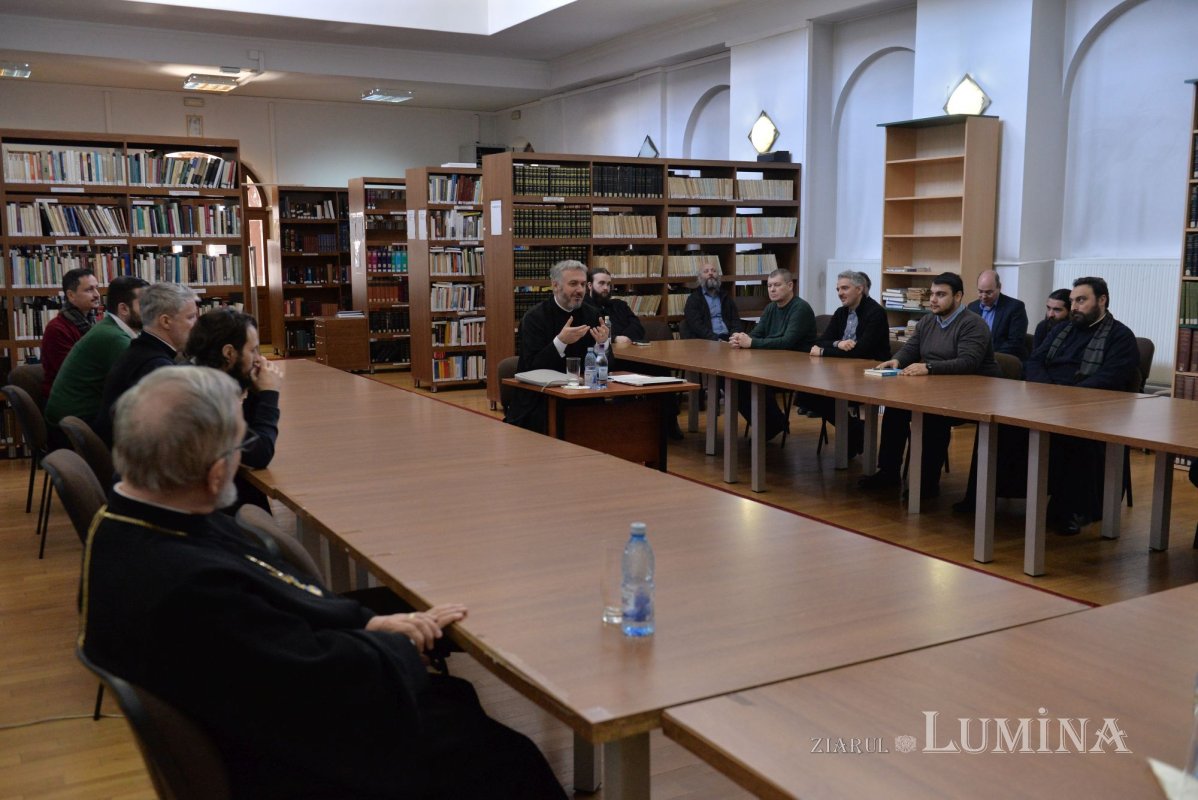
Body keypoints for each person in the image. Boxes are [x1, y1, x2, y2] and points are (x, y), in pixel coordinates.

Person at [79, 366, 567, 800]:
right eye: (238, 446)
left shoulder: (131, 518)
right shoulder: (189, 587)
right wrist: (398, 649)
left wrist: (373, 625)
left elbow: (273, 615)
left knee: (461, 709)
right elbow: (308, 683)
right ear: (212, 475)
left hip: (261, 716)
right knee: (505, 756)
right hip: (291, 762)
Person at [859, 272, 1001, 498]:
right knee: (896, 409)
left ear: (958, 297)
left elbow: (968, 362)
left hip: (972, 394)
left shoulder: (973, 324)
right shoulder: (927, 320)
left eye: (941, 295)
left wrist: (929, 368)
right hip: (935, 389)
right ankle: (888, 473)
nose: (933, 300)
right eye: (932, 294)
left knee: (933, 418)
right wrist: (898, 360)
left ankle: (926, 484)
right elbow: (911, 349)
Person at [1024, 276, 1140, 534]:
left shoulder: (1120, 336)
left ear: (1102, 300)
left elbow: (1111, 378)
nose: (1074, 306)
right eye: (1073, 301)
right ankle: (988, 499)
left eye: (1081, 300)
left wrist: (1068, 398)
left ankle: (1071, 511)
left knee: (1074, 439)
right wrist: (1047, 391)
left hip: (1093, 409)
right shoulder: (1061, 331)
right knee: (1004, 426)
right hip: (1048, 400)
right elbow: (1034, 362)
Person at [185, 308, 284, 512]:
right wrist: (269, 394)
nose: (259, 359)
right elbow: (259, 453)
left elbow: (244, 432)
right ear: (229, 353)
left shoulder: (195, 375)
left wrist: (255, 390)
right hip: (198, 508)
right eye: (253, 350)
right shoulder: (205, 398)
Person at [505, 259, 609, 432]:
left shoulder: (592, 315)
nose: (580, 290)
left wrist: (603, 344)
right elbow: (532, 367)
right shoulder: (534, 318)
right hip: (541, 399)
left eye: (583, 284)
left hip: (584, 397)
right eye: (573, 284)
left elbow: (608, 366)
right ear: (555, 286)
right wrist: (560, 342)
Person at [93, 281, 199, 445]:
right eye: (191, 317)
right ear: (165, 321)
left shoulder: (140, 351)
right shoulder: (155, 367)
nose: (195, 325)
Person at [800, 270, 890, 456]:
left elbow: (861, 351)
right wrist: (838, 343)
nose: (840, 293)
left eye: (845, 288)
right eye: (838, 289)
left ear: (860, 289)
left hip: (870, 374)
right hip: (842, 371)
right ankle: (855, 428)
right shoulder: (841, 312)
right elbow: (820, 340)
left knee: (821, 394)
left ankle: (854, 431)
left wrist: (825, 351)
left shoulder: (876, 313)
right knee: (805, 394)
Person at [587, 267, 684, 439]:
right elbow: (592, 331)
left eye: (609, 284)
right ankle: (627, 427)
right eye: (601, 283)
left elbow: (637, 327)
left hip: (631, 357)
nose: (606, 288)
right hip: (606, 361)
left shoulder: (619, 305)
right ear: (589, 286)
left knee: (661, 371)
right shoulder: (586, 310)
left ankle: (668, 422)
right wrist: (615, 338)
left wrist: (623, 336)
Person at [44, 275, 149, 432]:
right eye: (145, 304)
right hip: (75, 426)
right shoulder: (113, 337)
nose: (152, 311)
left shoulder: (110, 327)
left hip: (76, 419)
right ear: (124, 309)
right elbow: (145, 383)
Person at [728, 268, 816, 441]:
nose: (772, 289)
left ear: (790, 286)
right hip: (774, 363)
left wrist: (752, 343)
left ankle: (771, 424)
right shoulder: (770, 308)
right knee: (734, 381)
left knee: (752, 381)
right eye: (769, 286)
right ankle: (772, 423)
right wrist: (742, 339)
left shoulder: (801, 308)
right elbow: (757, 333)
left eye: (777, 285)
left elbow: (787, 342)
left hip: (798, 368)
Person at [39, 267, 101, 396]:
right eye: (90, 289)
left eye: (96, 288)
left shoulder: (92, 322)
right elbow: (73, 373)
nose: (97, 295)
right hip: (67, 397)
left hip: (87, 391)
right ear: (71, 295)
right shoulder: (57, 329)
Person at [966, 269, 1029, 359]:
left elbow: (1015, 343)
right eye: (980, 291)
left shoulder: (1015, 307)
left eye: (989, 292)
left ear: (999, 287)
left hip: (1005, 359)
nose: (984, 296)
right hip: (977, 358)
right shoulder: (972, 307)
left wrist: (988, 356)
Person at [682, 260, 744, 341]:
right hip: (707, 340)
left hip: (729, 339)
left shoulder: (726, 297)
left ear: (718, 277)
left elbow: (735, 320)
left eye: (713, 271)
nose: (710, 273)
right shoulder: (693, 299)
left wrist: (735, 336)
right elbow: (696, 326)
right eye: (706, 271)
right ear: (700, 278)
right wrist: (715, 339)